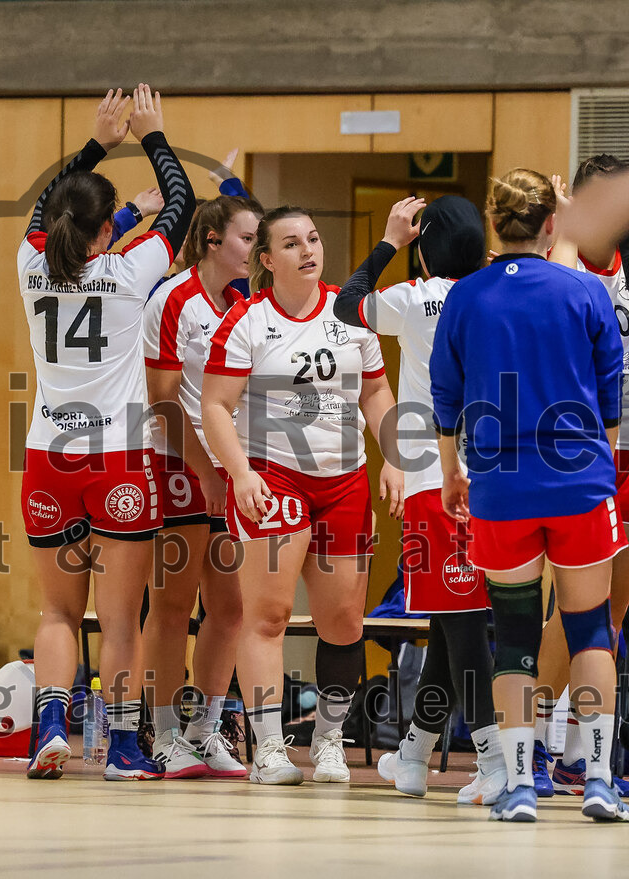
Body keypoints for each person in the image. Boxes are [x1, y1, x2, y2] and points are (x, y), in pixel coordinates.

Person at [431, 168, 629, 823]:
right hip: (580, 483)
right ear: (552, 223)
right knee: (591, 630)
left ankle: (518, 786)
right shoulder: (586, 290)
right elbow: (609, 392)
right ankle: (598, 779)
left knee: (515, 638)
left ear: (495, 222)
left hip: (500, 487)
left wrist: (452, 472)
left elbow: (445, 396)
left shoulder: (465, 296)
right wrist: (599, 462)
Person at [20, 85, 196, 781]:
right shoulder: (128, 272)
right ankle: (122, 747)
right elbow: (182, 203)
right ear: (106, 234)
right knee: (120, 620)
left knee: (57, 612)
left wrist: (98, 142)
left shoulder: (29, 264)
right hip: (117, 459)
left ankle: (48, 729)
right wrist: (153, 135)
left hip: (48, 458)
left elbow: (46, 208)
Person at [202, 206, 403, 785]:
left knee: (344, 620)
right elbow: (214, 405)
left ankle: (329, 740)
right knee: (268, 615)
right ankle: (268, 748)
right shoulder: (247, 320)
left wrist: (394, 457)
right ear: (266, 260)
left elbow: (376, 393)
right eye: (291, 243)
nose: (308, 249)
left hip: (344, 482)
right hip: (274, 478)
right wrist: (241, 474)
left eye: (312, 239)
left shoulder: (352, 313)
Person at [334, 195, 506, 803]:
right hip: (495, 483)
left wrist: (390, 242)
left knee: (464, 628)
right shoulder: (497, 292)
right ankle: (412, 755)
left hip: (439, 483)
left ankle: (494, 762)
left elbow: (347, 304)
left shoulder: (415, 298)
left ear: (425, 253)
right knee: (450, 621)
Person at [141, 195, 261, 778]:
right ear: (213, 240)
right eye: (247, 238)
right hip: (175, 464)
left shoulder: (244, 305)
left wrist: (235, 468)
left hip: (225, 468)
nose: (255, 249)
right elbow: (162, 402)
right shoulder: (173, 299)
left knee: (230, 608)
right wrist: (207, 472)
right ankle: (163, 732)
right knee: (172, 604)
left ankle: (204, 730)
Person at [530, 157, 629, 799]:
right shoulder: (561, 268)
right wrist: (566, 225)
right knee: (576, 609)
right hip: (583, 454)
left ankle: (579, 752)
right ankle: (533, 742)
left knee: (613, 609)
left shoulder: (624, 266)